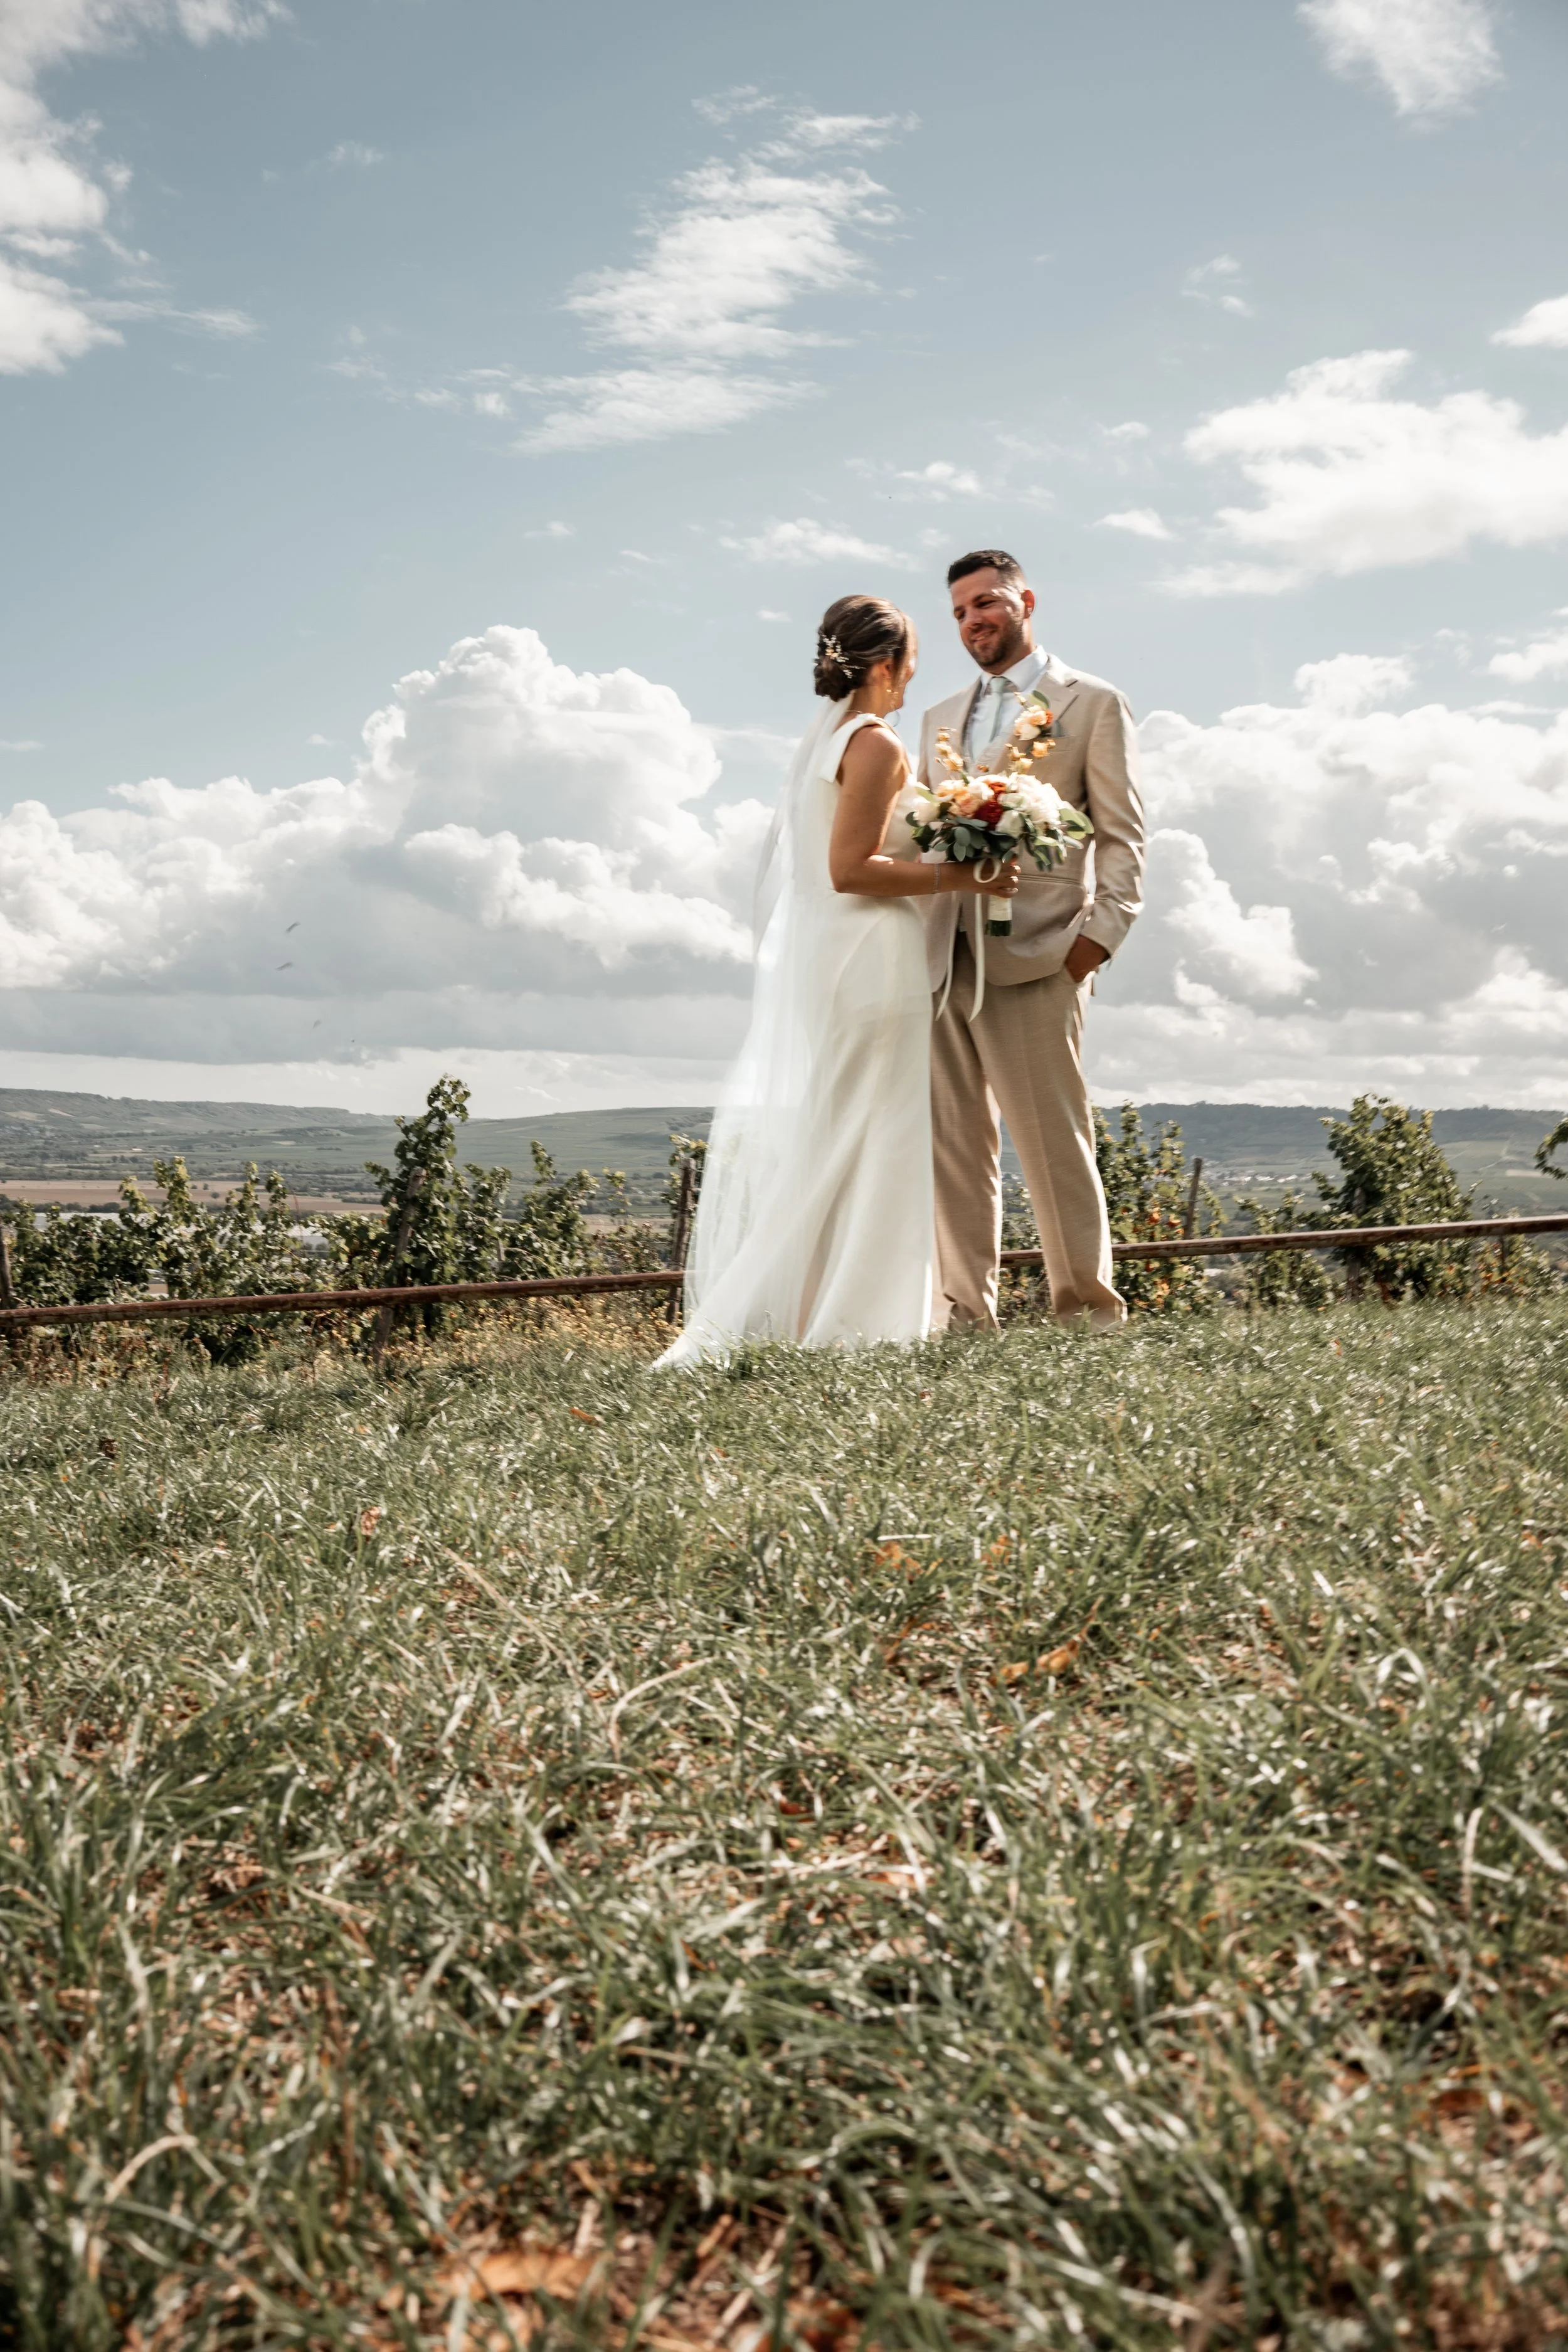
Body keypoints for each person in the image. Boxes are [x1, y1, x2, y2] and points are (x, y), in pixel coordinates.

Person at [657, 594, 1018, 1367]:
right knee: (873, 1131)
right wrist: (964, 876)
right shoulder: (875, 745)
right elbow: (851, 869)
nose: (916, 672)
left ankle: (815, 1311)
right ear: (886, 664)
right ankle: (855, 1319)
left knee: (847, 1129)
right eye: (912, 658)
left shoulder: (831, 741)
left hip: (835, 955)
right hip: (870, 954)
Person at [918, 549, 1145, 1332]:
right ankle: (965, 1316)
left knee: (1054, 1142)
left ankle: (1086, 1312)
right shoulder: (937, 718)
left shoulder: (1093, 702)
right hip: (944, 957)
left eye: (986, 602)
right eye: (959, 612)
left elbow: (1122, 834)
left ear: (1026, 602)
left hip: (1043, 952)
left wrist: (1098, 939)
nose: (972, 621)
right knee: (953, 1148)